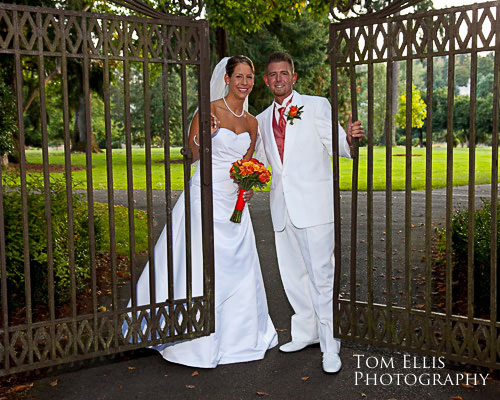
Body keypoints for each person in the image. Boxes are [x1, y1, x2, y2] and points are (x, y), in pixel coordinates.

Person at [126, 55, 278, 368]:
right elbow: (193, 153)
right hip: (204, 197)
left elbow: (246, 164)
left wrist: (248, 185)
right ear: (226, 78)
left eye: (249, 77)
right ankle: (187, 332)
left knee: (237, 266)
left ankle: (238, 335)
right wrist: (204, 136)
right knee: (197, 262)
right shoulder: (208, 110)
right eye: (239, 76)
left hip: (234, 204)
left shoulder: (252, 123)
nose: (244, 83)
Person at [255, 52, 365, 373]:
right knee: (293, 276)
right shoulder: (262, 119)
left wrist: (349, 139)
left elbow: (337, 145)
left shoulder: (316, 106)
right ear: (266, 80)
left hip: (315, 208)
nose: (278, 79)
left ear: (294, 76)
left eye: (284, 73)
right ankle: (306, 332)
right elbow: (263, 163)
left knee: (321, 278)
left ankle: (331, 345)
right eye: (273, 75)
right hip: (282, 209)